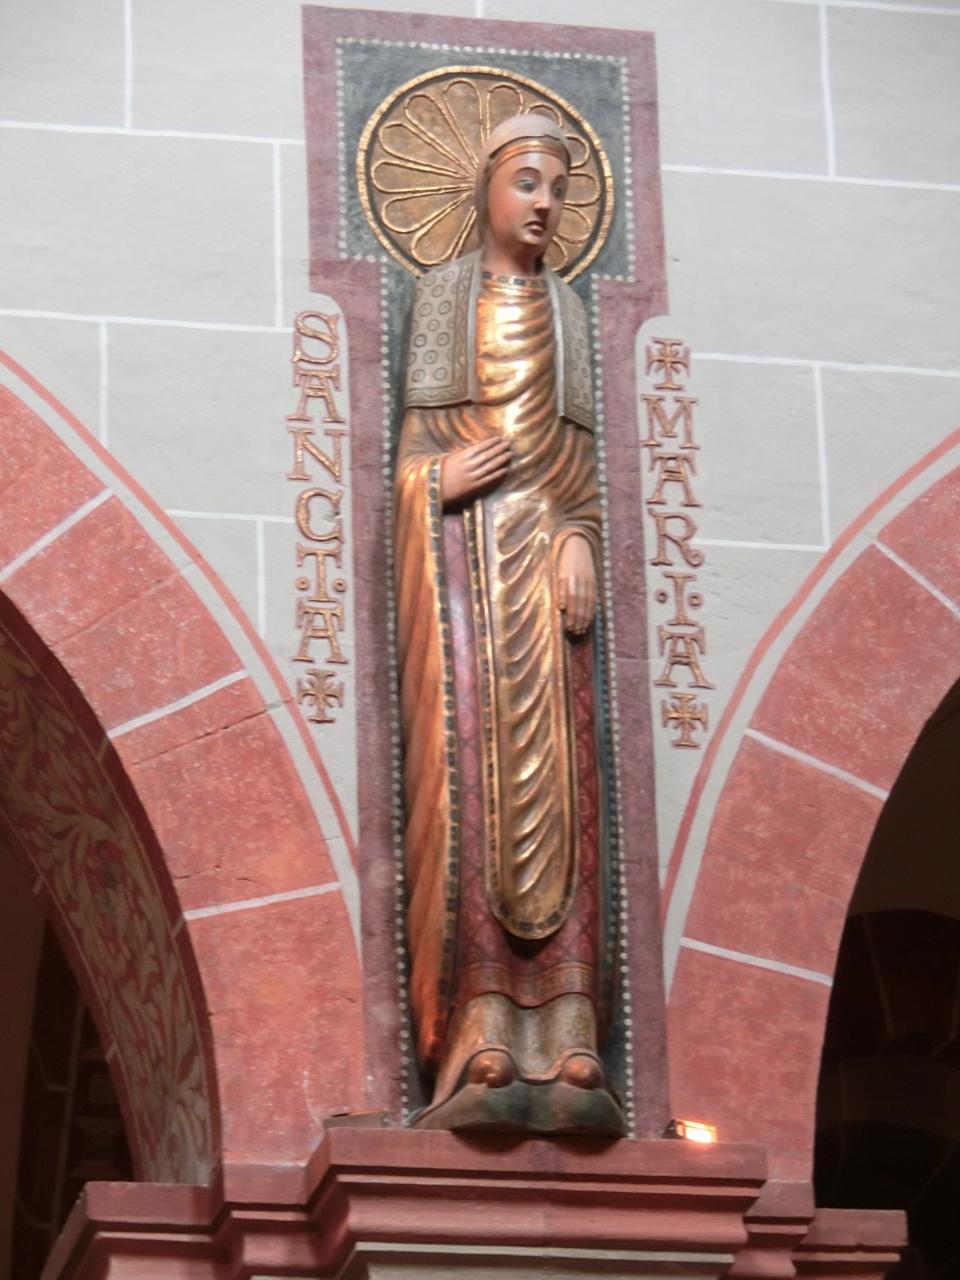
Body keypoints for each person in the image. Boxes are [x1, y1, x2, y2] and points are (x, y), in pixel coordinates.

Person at [394, 113, 623, 1134]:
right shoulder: (444, 297)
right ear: (484, 187)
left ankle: (569, 1028)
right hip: (464, 579)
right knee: (475, 792)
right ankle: (480, 1026)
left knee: (566, 794)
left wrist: (578, 538)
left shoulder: (566, 311)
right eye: (528, 181)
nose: (545, 204)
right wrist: (436, 481)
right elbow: (416, 453)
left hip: (544, 579)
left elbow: (576, 469)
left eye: (560, 189)